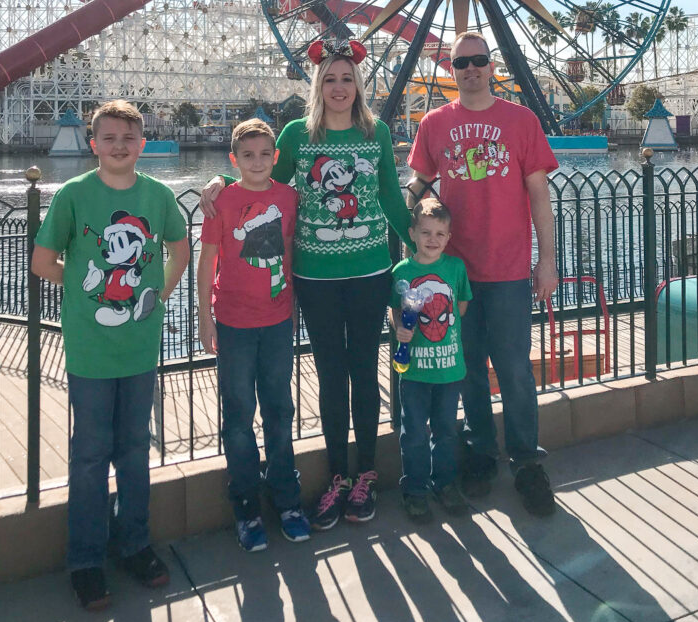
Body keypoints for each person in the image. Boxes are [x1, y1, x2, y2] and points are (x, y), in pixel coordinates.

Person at [201, 38, 412, 529]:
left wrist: (426, 253)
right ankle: (337, 474)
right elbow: (259, 182)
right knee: (330, 372)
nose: (339, 87)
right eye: (330, 79)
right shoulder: (297, 133)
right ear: (319, 84)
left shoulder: (375, 132)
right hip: (314, 276)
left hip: (370, 271)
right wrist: (218, 183)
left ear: (358, 84)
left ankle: (365, 475)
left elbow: (389, 197)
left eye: (347, 78)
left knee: (365, 371)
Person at [31, 100, 190, 611]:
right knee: (90, 455)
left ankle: (134, 545)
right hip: (90, 351)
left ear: (142, 143)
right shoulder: (74, 196)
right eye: (110, 137)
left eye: (129, 137)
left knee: (134, 451)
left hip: (140, 347)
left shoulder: (159, 195)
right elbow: (41, 261)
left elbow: (179, 248)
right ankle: (85, 559)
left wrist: (160, 295)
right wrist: (82, 289)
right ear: (93, 143)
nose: (120, 145)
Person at [406, 31, 559, 516]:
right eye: (460, 62)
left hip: (509, 267)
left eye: (477, 60)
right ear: (451, 71)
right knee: (467, 367)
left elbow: (539, 195)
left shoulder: (521, 120)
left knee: (514, 368)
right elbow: (417, 185)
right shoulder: (434, 124)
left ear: (492, 66)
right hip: (452, 273)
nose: (469, 69)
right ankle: (481, 454)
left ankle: (527, 462)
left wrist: (548, 259)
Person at [196, 118, 310, 552]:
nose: (258, 162)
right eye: (248, 155)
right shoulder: (222, 201)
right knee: (239, 417)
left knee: (280, 410)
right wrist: (204, 318)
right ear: (234, 160)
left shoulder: (290, 197)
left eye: (265, 154)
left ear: (276, 158)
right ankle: (245, 505)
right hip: (234, 321)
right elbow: (207, 263)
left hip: (279, 320)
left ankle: (288, 500)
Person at [390, 198, 472, 522]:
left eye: (440, 233)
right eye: (426, 232)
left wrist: (440, 317)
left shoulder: (455, 268)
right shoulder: (402, 272)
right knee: (413, 432)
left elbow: (461, 306)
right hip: (414, 372)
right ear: (412, 234)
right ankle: (415, 489)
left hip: (450, 370)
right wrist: (400, 328)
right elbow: (395, 309)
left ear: (448, 237)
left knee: (446, 431)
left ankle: (445, 483)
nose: (432, 239)